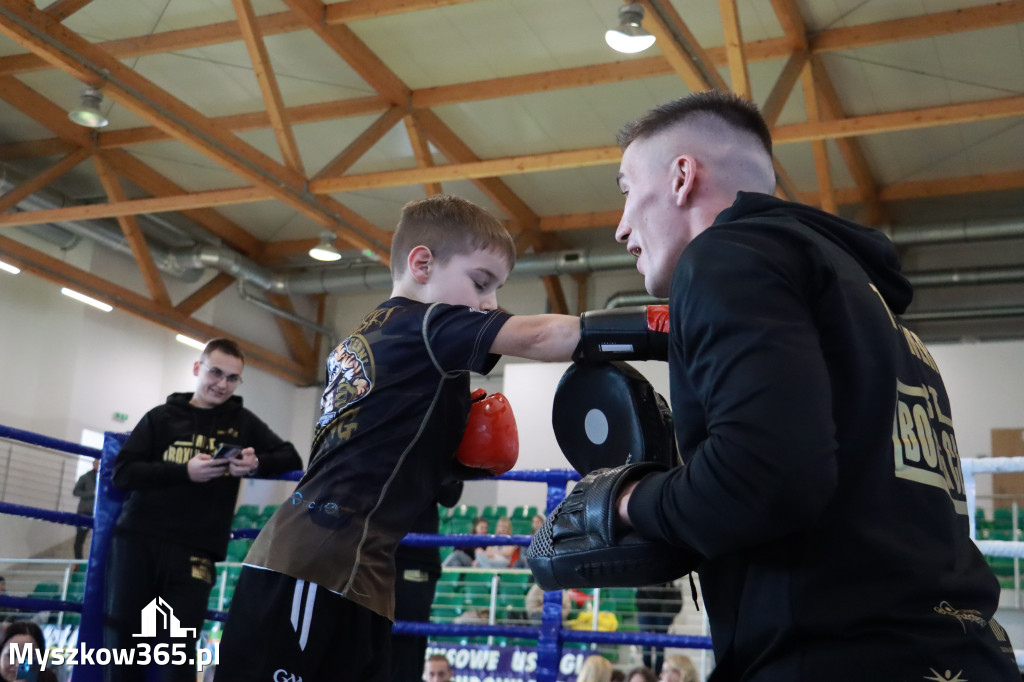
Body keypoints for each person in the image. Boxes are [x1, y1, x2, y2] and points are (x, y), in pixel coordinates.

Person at [603, 90, 1020, 679]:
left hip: (832, 659)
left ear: (681, 177)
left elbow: (764, 477)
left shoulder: (722, 255)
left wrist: (626, 502)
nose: (621, 228)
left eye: (625, 189)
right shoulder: (873, 312)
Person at [214, 194, 581, 681]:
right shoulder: (427, 324)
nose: (490, 303)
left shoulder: (367, 339)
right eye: (480, 282)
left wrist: (454, 458)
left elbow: (396, 460)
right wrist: (670, 325)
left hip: (358, 568)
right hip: (315, 563)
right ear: (422, 263)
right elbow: (542, 337)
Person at [105, 337, 302, 682]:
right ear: (197, 368)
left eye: (232, 378)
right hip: (138, 540)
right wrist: (185, 472)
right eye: (215, 372)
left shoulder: (243, 421)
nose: (222, 384)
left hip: (195, 550)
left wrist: (253, 464)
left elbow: (291, 458)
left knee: (178, 654)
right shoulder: (161, 418)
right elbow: (123, 473)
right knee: (124, 644)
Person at [391, 481, 462, 682]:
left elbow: (450, 495)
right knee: (372, 643)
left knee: (408, 645)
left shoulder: (437, 451)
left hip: (414, 560)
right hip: (373, 555)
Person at [634, 581, 682, 673]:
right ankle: (648, 673)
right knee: (646, 645)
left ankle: (657, 674)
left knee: (659, 646)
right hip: (646, 610)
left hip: (662, 612)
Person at [71, 458, 98, 560]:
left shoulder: (106, 477)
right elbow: (75, 492)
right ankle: (79, 563)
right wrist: (91, 494)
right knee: (80, 539)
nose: (98, 465)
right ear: (93, 464)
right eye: (96, 463)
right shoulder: (85, 477)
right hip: (85, 512)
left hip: (98, 513)